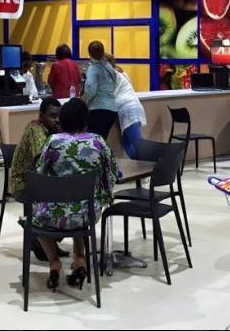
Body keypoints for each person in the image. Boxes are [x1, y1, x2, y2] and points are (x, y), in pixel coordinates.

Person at [33, 98, 117, 290]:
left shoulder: (53, 142)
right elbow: (111, 174)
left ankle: (54, 262)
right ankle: (80, 259)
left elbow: (39, 173)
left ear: (63, 119)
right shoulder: (98, 142)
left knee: (34, 219)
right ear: (85, 120)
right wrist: (105, 195)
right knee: (80, 206)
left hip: (54, 216)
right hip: (88, 214)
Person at [9, 98, 68, 260]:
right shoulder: (35, 129)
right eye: (52, 116)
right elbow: (42, 160)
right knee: (63, 200)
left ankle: (48, 240)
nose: (57, 120)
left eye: (59, 116)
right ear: (41, 115)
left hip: (39, 182)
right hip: (23, 184)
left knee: (68, 197)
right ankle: (41, 240)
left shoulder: (51, 131)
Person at [105, 53, 146, 159]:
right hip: (134, 107)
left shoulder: (112, 75)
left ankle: (151, 165)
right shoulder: (122, 72)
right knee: (125, 143)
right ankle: (141, 163)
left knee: (139, 146)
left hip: (128, 110)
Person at [82, 41, 118, 139]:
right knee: (102, 140)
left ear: (89, 53)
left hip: (97, 109)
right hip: (112, 109)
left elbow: (90, 89)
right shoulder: (109, 67)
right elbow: (115, 83)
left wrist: (83, 101)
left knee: (94, 141)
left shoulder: (93, 68)